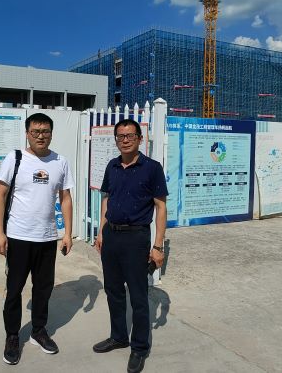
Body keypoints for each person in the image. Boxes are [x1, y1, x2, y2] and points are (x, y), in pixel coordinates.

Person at [0, 112, 74, 366]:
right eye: (36, 131)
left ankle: (39, 331)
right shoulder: (15, 158)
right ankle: (12, 336)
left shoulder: (60, 161)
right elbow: (0, 195)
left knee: (43, 288)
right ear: (27, 133)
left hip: (47, 238)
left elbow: (66, 198)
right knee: (14, 290)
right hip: (18, 237)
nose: (41, 136)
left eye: (45, 131)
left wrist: (67, 233)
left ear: (51, 133)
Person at [93, 119, 167, 373]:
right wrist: (101, 231)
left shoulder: (152, 168)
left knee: (138, 295)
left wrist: (158, 246)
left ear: (140, 139)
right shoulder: (112, 166)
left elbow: (161, 207)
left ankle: (139, 347)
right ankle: (118, 336)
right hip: (111, 236)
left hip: (136, 238)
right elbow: (107, 198)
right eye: (120, 136)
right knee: (113, 290)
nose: (125, 140)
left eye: (130, 136)